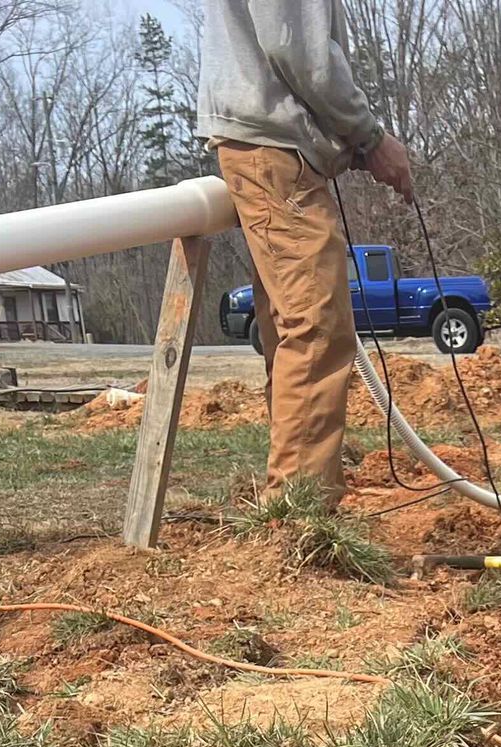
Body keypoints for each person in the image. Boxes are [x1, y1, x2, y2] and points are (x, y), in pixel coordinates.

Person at [197, 0, 415, 508]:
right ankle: (301, 514)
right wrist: (370, 136)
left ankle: (292, 506)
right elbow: (297, 48)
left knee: (291, 324)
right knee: (316, 327)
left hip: (268, 142)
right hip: (274, 146)